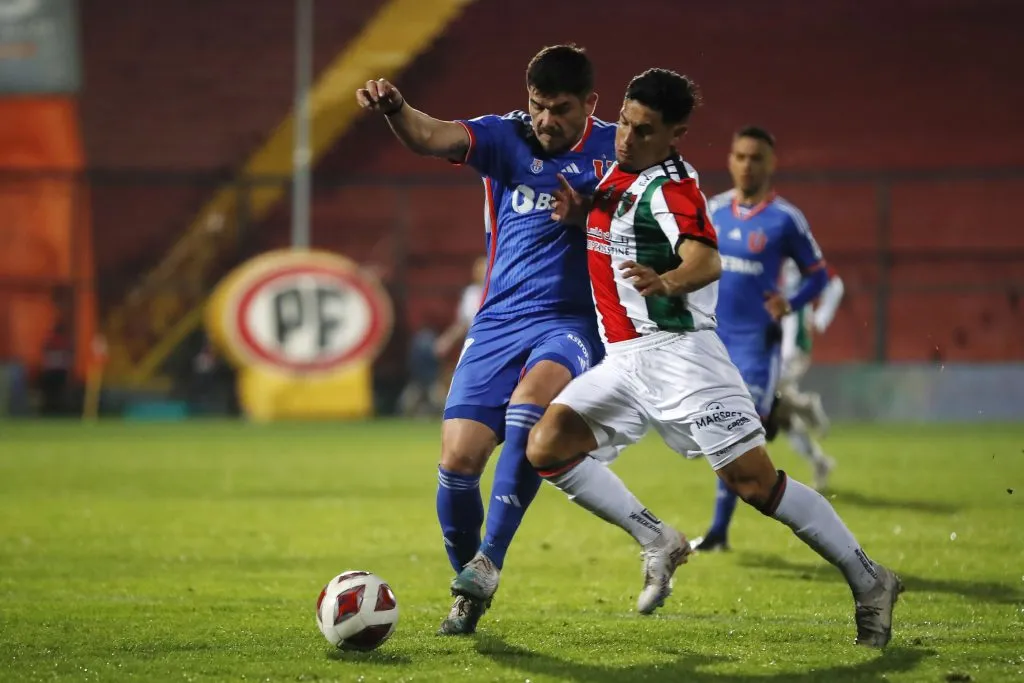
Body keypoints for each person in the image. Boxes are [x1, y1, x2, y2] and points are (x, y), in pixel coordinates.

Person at [525, 68, 903, 647]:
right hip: (624, 359)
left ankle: (870, 578)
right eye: (624, 121)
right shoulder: (618, 169)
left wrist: (668, 280)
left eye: (644, 130)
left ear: (675, 134)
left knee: (754, 484)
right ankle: (659, 539)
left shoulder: (673, 187)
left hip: (681, 357)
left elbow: (707, 260)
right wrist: (581, 212)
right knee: (547, 445)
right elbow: (618, 224)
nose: (626, 136)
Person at [356, 45, 616, 635]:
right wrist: (397, 107)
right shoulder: (504, 138)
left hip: (570, 322)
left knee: (529, 410)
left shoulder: (613, 151)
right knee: (457, 462)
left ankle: (490, 560)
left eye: (560, 109)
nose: (545, 120)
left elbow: (641, 222)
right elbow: (430, 136)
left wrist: (590, 218)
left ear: (590, 104)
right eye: (537, 106)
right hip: (497, 323)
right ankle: (467, 590)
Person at [691, 126, 830, 552]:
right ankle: (721, 530)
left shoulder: (785, 218)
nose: (747, 165)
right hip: (712, 340)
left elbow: (818, 274)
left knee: (736, 429)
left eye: (756, 157)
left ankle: (718, 531)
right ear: (730, 160)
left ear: (771, 163)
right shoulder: (711, 210)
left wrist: (790, 302)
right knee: (720, 433)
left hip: (757, 347)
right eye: (740, 156)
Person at [777, 259, 845, 489]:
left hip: (792, 345)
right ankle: (820, 462)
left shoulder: (795, 249)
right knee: (780, 417)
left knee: (767, 398)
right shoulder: (758, 247)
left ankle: (805, 405)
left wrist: (822, 315)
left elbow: (834, 283)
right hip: (770, 344)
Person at [399, 256, 487, 417]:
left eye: (484, 269)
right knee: (424, 344)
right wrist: (446, 341)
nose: (481, 273)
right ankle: (429, 393)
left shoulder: (500, 291)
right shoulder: (471, 294)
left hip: (492, 343)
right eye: (478, 270)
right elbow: (462, 323)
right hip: (474, 344)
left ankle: (431, 396)